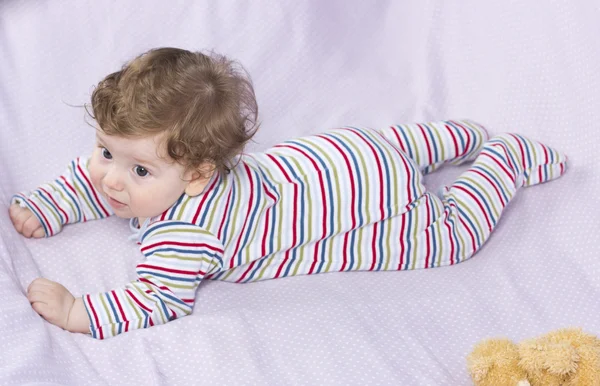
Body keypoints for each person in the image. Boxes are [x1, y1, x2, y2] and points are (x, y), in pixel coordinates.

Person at [8, 47, 568, 339]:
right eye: (107, 151)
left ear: (199, 174)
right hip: (337, 154)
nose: (110, 178)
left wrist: (80, 310)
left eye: (138, 171)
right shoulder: (153, 173)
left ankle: (502, 160)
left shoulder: (185, 235)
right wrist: (49, 206)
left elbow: (159, 299)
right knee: (400, 144)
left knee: (450, 239)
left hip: (368, 210)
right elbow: (95, 182)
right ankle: (460, 136)